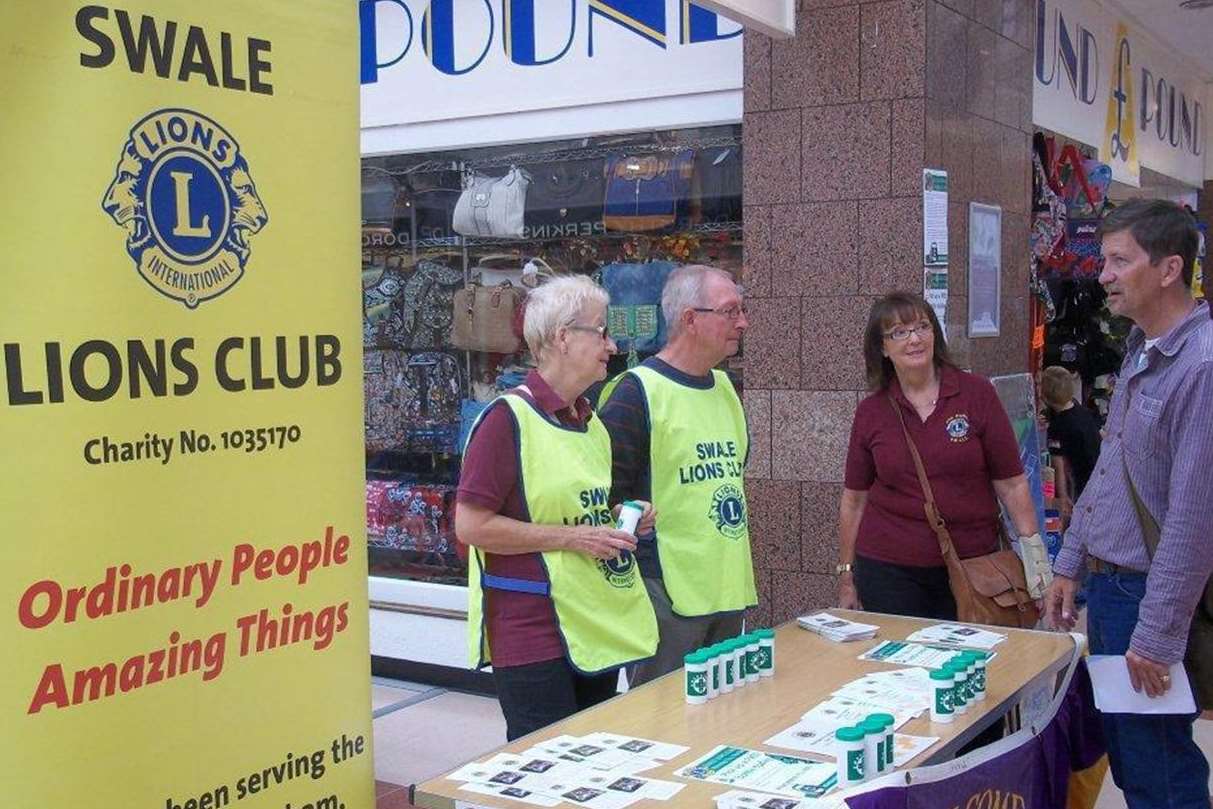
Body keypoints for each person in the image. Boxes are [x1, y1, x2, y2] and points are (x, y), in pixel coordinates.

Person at [1045, 199, 1212, 809]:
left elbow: (1194, 521)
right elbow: (1114, 469)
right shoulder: (1143, 347)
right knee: (1135, 760)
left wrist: (1159, 635)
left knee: (1158, 769)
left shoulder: (1201, 365)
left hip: (1150, 598)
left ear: (1169, 269)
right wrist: (1071, 562)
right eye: (1104, 259)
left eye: (1119, 260)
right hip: (1115, 593)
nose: (1103, 274)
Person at [455, 275, 658, 741]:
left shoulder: (591, 423)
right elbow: (471, 525)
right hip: (531, 633)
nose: (612, 344)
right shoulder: (506, 419)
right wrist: (574, 537)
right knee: (543, 771)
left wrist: (624, 517)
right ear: (563, 338)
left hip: (592, 623)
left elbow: (582, 511)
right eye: (601, 331)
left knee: (592, 765)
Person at [837, 292, 1043, 619]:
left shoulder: (976, 394)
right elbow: (854, 499)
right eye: (899, 332)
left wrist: (1036, 564)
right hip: (889, 572)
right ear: (882, 348)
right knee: (900, 666)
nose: (914, 339)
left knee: (970, 666)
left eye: (922, 327)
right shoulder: (871, 412)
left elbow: (1013, 485)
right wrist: (846, 575)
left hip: (974, 568)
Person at [599, 264, 756, 686]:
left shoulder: (725, 388)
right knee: (663, 720)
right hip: (666, 593)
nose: (742, 322)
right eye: (729, 311)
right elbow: (603, 496)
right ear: (690, 319)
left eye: (742, 310)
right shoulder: (635, 393)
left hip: (725, 587)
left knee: (721, 710)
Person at [1040, 365, 1102, 518]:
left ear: (1045, 397)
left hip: (1080, 478)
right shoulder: (1082, 410)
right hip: (1097, 471)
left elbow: (1058, 465)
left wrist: (1062, 497)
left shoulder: (1057, 427)